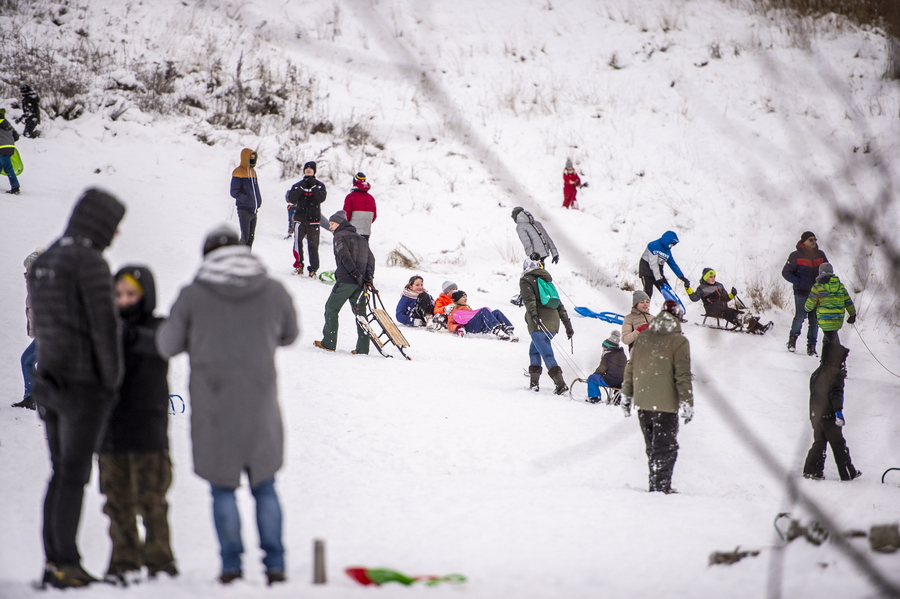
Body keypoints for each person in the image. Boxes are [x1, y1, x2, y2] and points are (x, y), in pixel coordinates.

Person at [156, 225, 299, 585]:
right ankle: (276, 564)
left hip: (214, 406)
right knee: (265, 485)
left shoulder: (193, 295)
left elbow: (167, 345)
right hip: (260, 403)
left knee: (222, 489)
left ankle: (231, 566)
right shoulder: (273, 290)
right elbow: (290, 334)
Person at [29, 188, 126, 588]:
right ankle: (66, 563)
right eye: (113, 225)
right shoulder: (89, 262)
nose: (115, 234)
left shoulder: (47, 259)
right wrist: (113, 381)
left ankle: (55, 560)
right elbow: (105, 329)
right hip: (84, 387)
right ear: (99, 221)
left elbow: (40, 328)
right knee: (74, 475)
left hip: (48, 381)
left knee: (60, 474)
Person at [99, 266, 177, 585]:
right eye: (118, 295)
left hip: (148, 431)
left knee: (152, 500)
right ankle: (124, 558)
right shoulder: (105, 330)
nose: (124, 301)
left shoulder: (157, 327)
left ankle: (160, 558)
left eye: (131, 294)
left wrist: (126, 335)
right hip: (112, 432)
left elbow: (159, 344)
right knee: (118, 502)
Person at [621, 300, 693, 494]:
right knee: (666, 448)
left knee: (653, 448)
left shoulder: (643, 337)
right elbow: (683, 375)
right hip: (665, 405)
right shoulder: (679, 341)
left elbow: (630, 368)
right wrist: (687, 402)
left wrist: (627, 395)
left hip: (644, 404)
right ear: (677, 317)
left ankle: (656, 485)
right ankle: (660, 490)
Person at [314, 210, 375, 354]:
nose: (330, 227)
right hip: (361, 283)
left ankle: (328, 342)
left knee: (331, 308)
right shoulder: (361, 238)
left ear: (340, 223)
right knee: (361, 314)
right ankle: (363, 348)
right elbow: (371, 259)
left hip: (347, 281)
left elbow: (344, 257)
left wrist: (355, 274)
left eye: (332, 224)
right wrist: (367, 278)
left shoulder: (339, 236)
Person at [802, 343, 860, 481]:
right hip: (829, 415)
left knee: (819, 442)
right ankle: (848, 473)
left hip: (815, 414)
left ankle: (812, 471)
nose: (843, 362)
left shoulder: (817, 372)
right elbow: (836, 394)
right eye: (842, 359)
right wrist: (838, 412)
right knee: (838, 443)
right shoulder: (836, 374)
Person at [520, 259, 574, 394]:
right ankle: (534, 384)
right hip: (553, 322)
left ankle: (561, 384)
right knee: (534, 350)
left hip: (539, 321)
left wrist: (533, 315)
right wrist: (568, 326)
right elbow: (560, 305)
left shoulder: (526, 280)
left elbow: (529, 300)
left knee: (546, 353)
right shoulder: (547, 280)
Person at [781, 231, 827, 355]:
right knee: (800, 317)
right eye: (811, 240)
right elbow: (786, 272)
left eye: (815, 239)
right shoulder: (795, 255)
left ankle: (811, 347)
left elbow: (827, 271)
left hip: (817, 293)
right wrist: (798, 282)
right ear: (804, 241)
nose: (814, 242)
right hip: (801, 292)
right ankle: (792, 341)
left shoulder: (820, 255)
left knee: (815, 320)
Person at [13, 248, 43, 410]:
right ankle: (32, 397)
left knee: (27, 360)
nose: (26, 271)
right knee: (28, 361)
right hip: (45, 333)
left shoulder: (43, 284)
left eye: (29, 267)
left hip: (49, 334)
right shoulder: (35, 283)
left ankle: (32, 397)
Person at [287, 161, 327, 277]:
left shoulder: (319, 185)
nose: (308, 170)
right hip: (300, 219)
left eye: (311, 169)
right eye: (306, 168)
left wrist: (313, 186)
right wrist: (301, 188)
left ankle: (313, 269)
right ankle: (299, 266)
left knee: (313, 245)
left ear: (314, 171)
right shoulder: (297, 185)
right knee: (297, 244)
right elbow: (292, 199)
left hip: (314, 221)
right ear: (304, 170)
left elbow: (321, 198)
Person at [805, 263, 856, 348]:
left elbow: (810, 303)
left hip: (825, 319)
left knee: (833, 342)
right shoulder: (840, 286)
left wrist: (806, 309)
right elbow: (848, 302)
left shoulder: (817, 287)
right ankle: (825, 360)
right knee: (828, 339)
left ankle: (839, 359)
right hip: (837, 319)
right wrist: (852, 314)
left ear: (820, 273)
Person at [446, 290, 517, 341]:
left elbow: (472, 316)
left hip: (476, 326)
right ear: (458, 299)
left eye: (466, 297)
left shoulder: (468, 308)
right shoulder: (453, 309)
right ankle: (497, 330)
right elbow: (449, 325)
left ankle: (509, 331)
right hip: (468, 328)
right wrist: (458, 328)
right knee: (483, 311)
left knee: (496, 312)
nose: (466, 298)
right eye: (463, 297)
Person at [639, 231, 689, 299]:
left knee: (669, 292)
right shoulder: (653, 245)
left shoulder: (667, 252)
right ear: (667, 241)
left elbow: (673, 264)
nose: (672, 246)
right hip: (646, 270)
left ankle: (673, 307)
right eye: (672, 244)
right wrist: (658, 278)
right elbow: (653, 263)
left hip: (658, 272)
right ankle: (642, 308)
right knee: (648, 293)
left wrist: (682, 277)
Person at [230, 148, 261, 247]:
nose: (252, 160)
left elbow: (256, 190)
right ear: (245, 158)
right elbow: (234, 192)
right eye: (250, 158)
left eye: (253, 158)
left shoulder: (253, 172)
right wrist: (247, 200)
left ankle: (247, 259)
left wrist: (258, 201)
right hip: (244, 210)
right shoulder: (238, 171)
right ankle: (237, 258)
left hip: (254, 210)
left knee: (251, 238)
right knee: (245, 237)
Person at [587, 331, 626, 403]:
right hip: (622, 381)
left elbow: (601, 370)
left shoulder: (607, 356)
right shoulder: (623, 355)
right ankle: (617, 398)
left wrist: (594, 375)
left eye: (603, 348)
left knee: (592, 378)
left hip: (611, 381)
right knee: (618, 377)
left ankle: (594, 398)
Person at [342, 172, 377, 240]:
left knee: (352, 250)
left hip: (352, 231)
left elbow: (346, 216)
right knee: (363, 250)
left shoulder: (350, 197)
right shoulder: (371, 198)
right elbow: (374, 216)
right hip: (366, 232)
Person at [0, 107, 21, 195]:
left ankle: (15, 187)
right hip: (10, 147)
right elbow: (16, 136)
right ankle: (15, 186)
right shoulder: (8, 124)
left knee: (8, 167)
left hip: (2, 148)